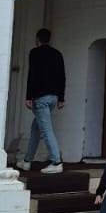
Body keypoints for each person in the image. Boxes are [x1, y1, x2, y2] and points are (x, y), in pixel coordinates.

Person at [19, 28, 65, 174]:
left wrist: (28, 96)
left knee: (46, 130)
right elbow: (62, 76)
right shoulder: (57, 54)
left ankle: (56, 162)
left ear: (37, 39)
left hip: (41, 98)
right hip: (53, 97)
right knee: (36, 129)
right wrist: (61, 97)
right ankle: (27, 161)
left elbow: (32, 75)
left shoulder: (35, 53)